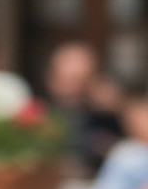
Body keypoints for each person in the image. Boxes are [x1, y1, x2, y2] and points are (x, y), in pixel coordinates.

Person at [44, 41, 123, 176]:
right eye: (67, 79)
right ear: (51, 79)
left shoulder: (108, 116)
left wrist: (120, 107)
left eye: (81, 80)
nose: (74, 88)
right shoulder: (39, 116)